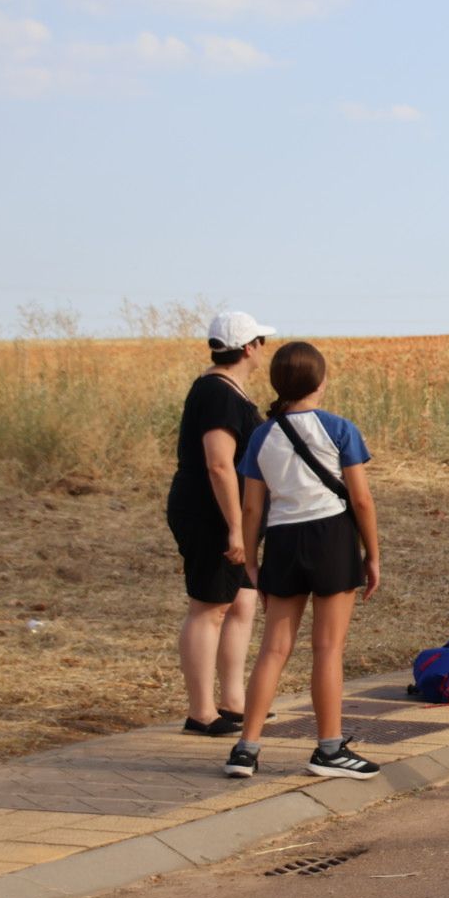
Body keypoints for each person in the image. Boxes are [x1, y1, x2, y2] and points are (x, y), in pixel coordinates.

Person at [224, 342, 381, 779]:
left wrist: (252, 558)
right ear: (320, 381)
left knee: (273, 649)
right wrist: (373, 554)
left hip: (282, 541)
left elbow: (253, 507)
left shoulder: (261, 434)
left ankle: (245, 748)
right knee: (328, 648)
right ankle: (329, 750)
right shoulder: (339, 428)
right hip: (332, 537)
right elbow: (362, 500)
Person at [166, 311, 274, 736]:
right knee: (209, 608)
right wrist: (235, 528)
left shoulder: (229, 390)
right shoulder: (217, 393)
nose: (264, 348)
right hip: (209, 512)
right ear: (248, 348)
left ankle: (233, 701)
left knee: (241, 603)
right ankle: (201, 712)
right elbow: (218, 464)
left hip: (229, 513)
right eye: (261, 341)